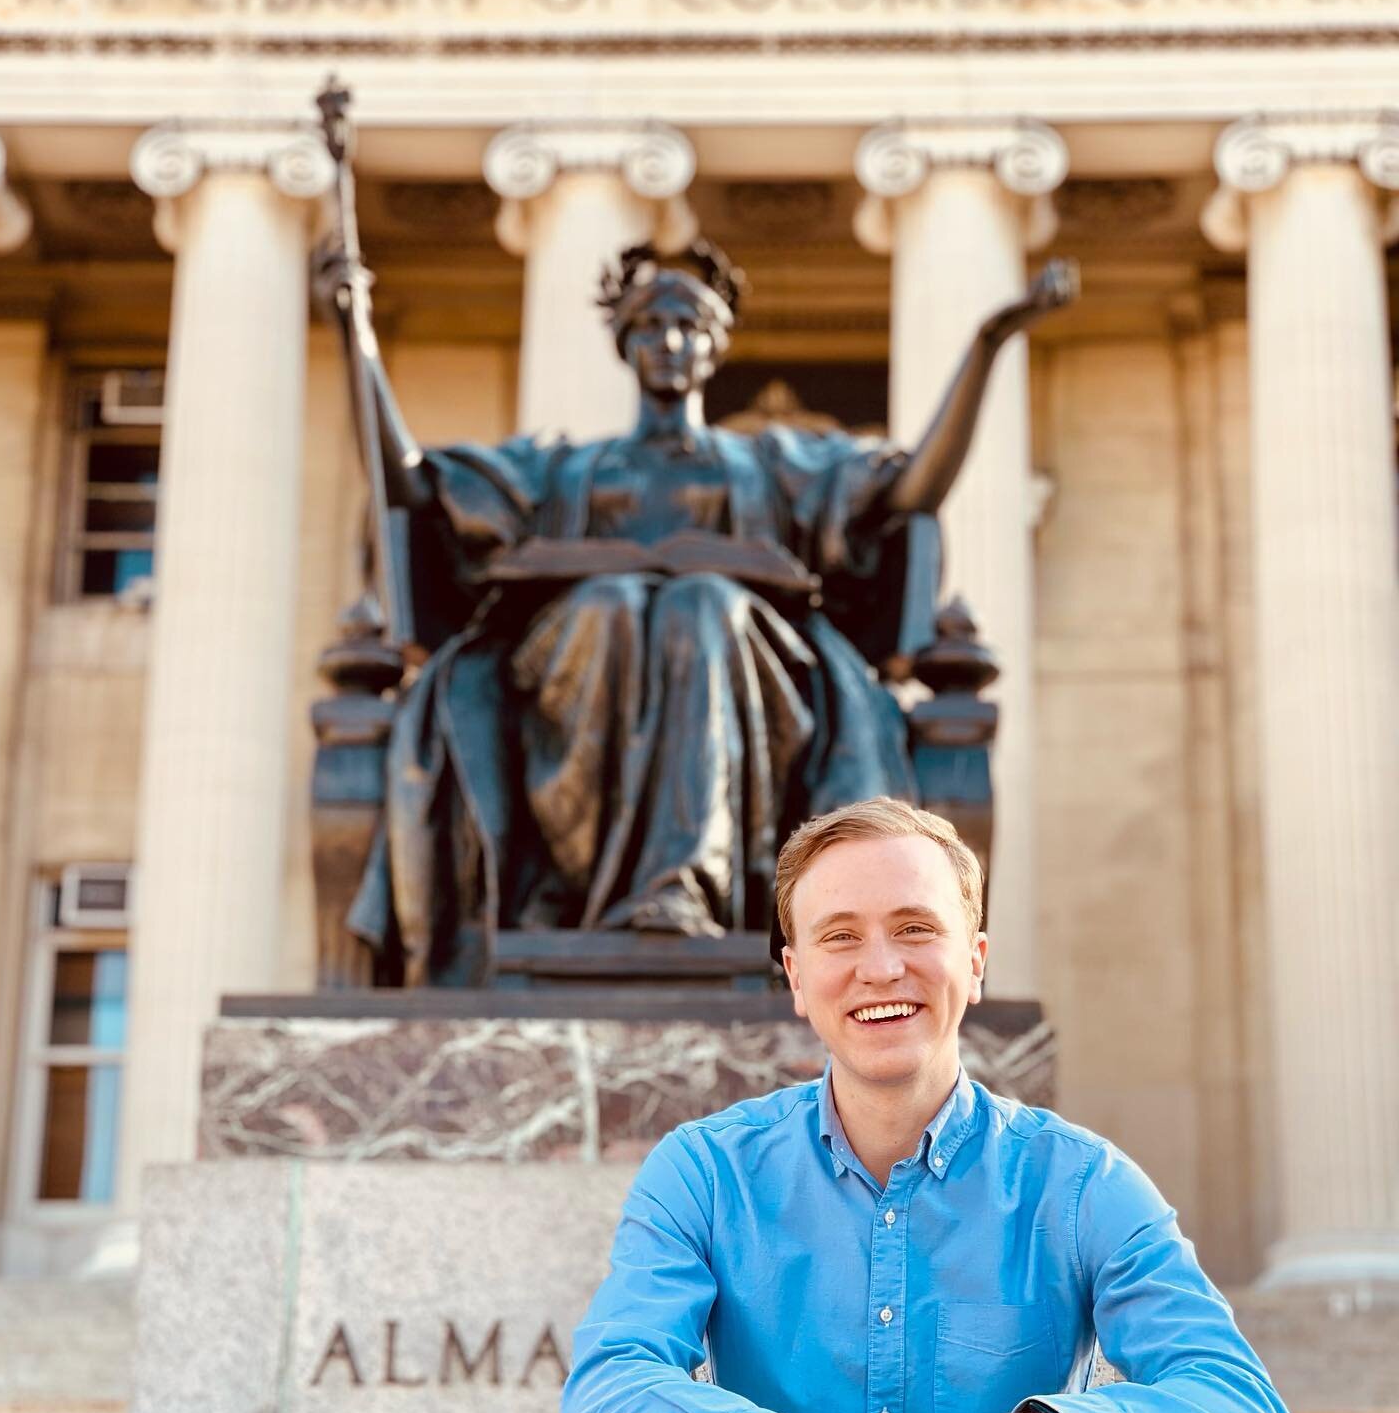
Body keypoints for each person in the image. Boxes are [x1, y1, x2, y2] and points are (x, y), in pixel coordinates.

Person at [561, 796, 1291, 1413]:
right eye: (840, 937)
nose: (881, 967)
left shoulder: (1080, 1182)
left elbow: (1245, 1410)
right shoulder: (706, 1171)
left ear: (973, 962)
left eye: (916, 928)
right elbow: (606, 1386)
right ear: (795, 975)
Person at [322, 239, 1076, 980]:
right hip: (574, 660)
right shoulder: (564, 470)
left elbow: (911, 490)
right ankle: (579, 878)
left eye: (689, 327)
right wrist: (358, 337)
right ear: (625, 344)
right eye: (650, 326)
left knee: (701, 605)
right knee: (613, 603)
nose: (670, 342)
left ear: (715, 348)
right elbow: (413, 487)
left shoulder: (770, 467)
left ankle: (683, 887)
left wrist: (987, 343)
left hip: (746, 666)